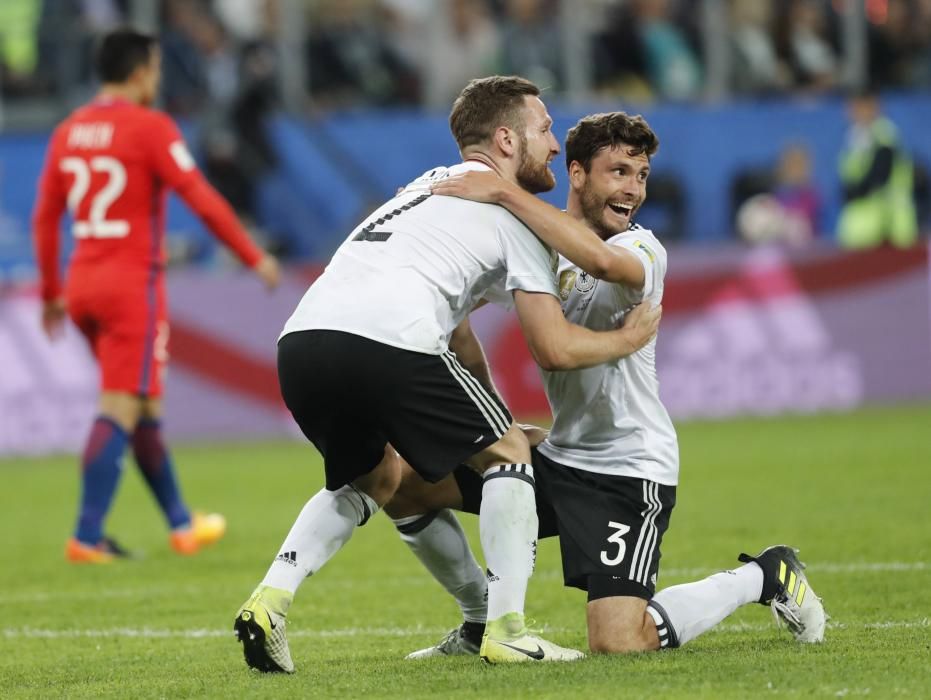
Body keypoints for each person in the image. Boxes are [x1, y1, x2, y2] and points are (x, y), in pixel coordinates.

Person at [232, 76, 662, 673]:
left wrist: (478, 413)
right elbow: (555, 345)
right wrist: (626, 339)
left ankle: (270, 599)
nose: (555, 148)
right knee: (510, 449)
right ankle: (508, 630)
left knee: (380, 477)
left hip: (304, 342)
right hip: (389, 339)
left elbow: (458, 326)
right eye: (543, 131)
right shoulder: (517, 219)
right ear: (507, 139)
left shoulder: (425, 185)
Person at [383, 111, 827, 658]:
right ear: (576, 173)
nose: (633, 190)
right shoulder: (532, 250)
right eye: (618, 172)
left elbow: (597, 260)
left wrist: (501, 192)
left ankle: (765, 575)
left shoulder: (643, 249)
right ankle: (480, 624)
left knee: (618, 643)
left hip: (626, 470)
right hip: (563, 456)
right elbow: (456, 307)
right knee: (402, 482)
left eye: (640, 176)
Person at [32, 28, 281, 564]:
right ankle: (87, 534)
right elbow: (200, 197)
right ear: (142, 71)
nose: (159, 79)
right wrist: (252, 253)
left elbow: (46, 218)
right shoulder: (150, 127)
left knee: (142, 403)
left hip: (82, 284)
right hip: (129, 287)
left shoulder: (69, 131)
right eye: (157, 69)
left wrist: (52, 291)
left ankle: (181, 523)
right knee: (120, 405)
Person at [837, 90, 918, 249]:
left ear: (873, 107)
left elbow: (880, 173)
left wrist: (856, 192)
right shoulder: (855, 138)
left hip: (887, 225)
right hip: (862, 229)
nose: (851, 111)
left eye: (858, 106)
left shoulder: (884, 134)